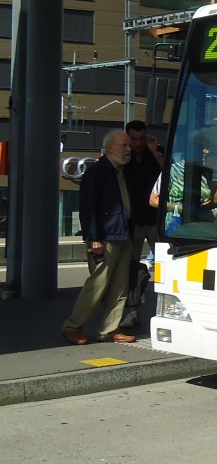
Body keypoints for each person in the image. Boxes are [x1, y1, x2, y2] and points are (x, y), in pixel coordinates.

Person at [61, 129, 137, 345]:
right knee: (97, 285)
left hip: (122, 234)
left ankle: (110, 330)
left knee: (120, 287)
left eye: (129, 145)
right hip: (105, 237)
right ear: (110, 147)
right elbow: (88, 208)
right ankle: (73, 326)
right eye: (124, 145)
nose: (128, 149)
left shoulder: (121, 171)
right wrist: (93, 238)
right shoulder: (97, 172)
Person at [120, 120, 164, 328]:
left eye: (141, 139)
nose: (138, 143)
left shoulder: (153, 156)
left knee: (166, 262)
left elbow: (167, 174)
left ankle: (168, 307)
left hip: (155, 218)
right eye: (133, 139)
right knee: (132, 266)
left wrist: (155, 153)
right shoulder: (123, 157)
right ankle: (133, 311)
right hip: (134, 220)